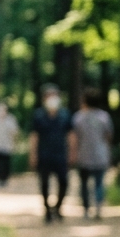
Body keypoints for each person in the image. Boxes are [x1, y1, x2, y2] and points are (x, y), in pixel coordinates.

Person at [29, 84, 76, 223]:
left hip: (61, 154)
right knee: (44, 183)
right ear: (44, 98)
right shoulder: (38, 115)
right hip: (44, 155)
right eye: (49, 96)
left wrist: (73, 152)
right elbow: (34, 136)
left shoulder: (65, 114)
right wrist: (33, 154)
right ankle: (47, 210)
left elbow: (71, 134)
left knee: (64, 182)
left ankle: (58, 207)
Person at [72, 87, 114, 219]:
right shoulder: (104, 117)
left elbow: (74, 138)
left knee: (84, 184)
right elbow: (108, 136)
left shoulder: (78, 117)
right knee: (99, 183)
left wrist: (73, 154)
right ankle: (98, 208)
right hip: (101, 155)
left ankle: (86, 210)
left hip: (83, 156)